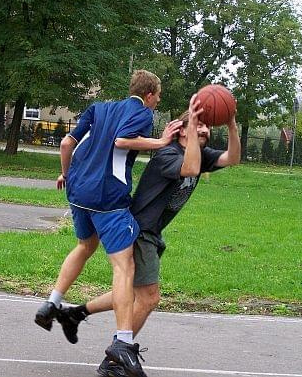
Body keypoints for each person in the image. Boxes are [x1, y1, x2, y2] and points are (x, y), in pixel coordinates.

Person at [54, 94, 241, 377]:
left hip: (152, 232)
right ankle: (116, 358)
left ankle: (75, 313)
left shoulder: (199, 154)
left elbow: (232, 158)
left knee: (131, 293)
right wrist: (189, 127)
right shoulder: (168, 156)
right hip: (141, 230)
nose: (204, 130)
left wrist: (231, 124)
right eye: (198, 125)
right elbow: (189, 168)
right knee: (149, 297)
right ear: (182, 129)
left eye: (206, 126)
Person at [34, 70, 182, 377]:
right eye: (158, 98)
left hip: (78, 192)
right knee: (124, 267)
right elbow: (123, 140)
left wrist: (65, 173)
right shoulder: (141, 112)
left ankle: (51, 304)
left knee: (85, 246)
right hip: (107, 199)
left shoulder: (99, 107)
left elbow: (66, 144)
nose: (156, 103)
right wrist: (162, 140)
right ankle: (124, 343)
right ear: (150, 95)